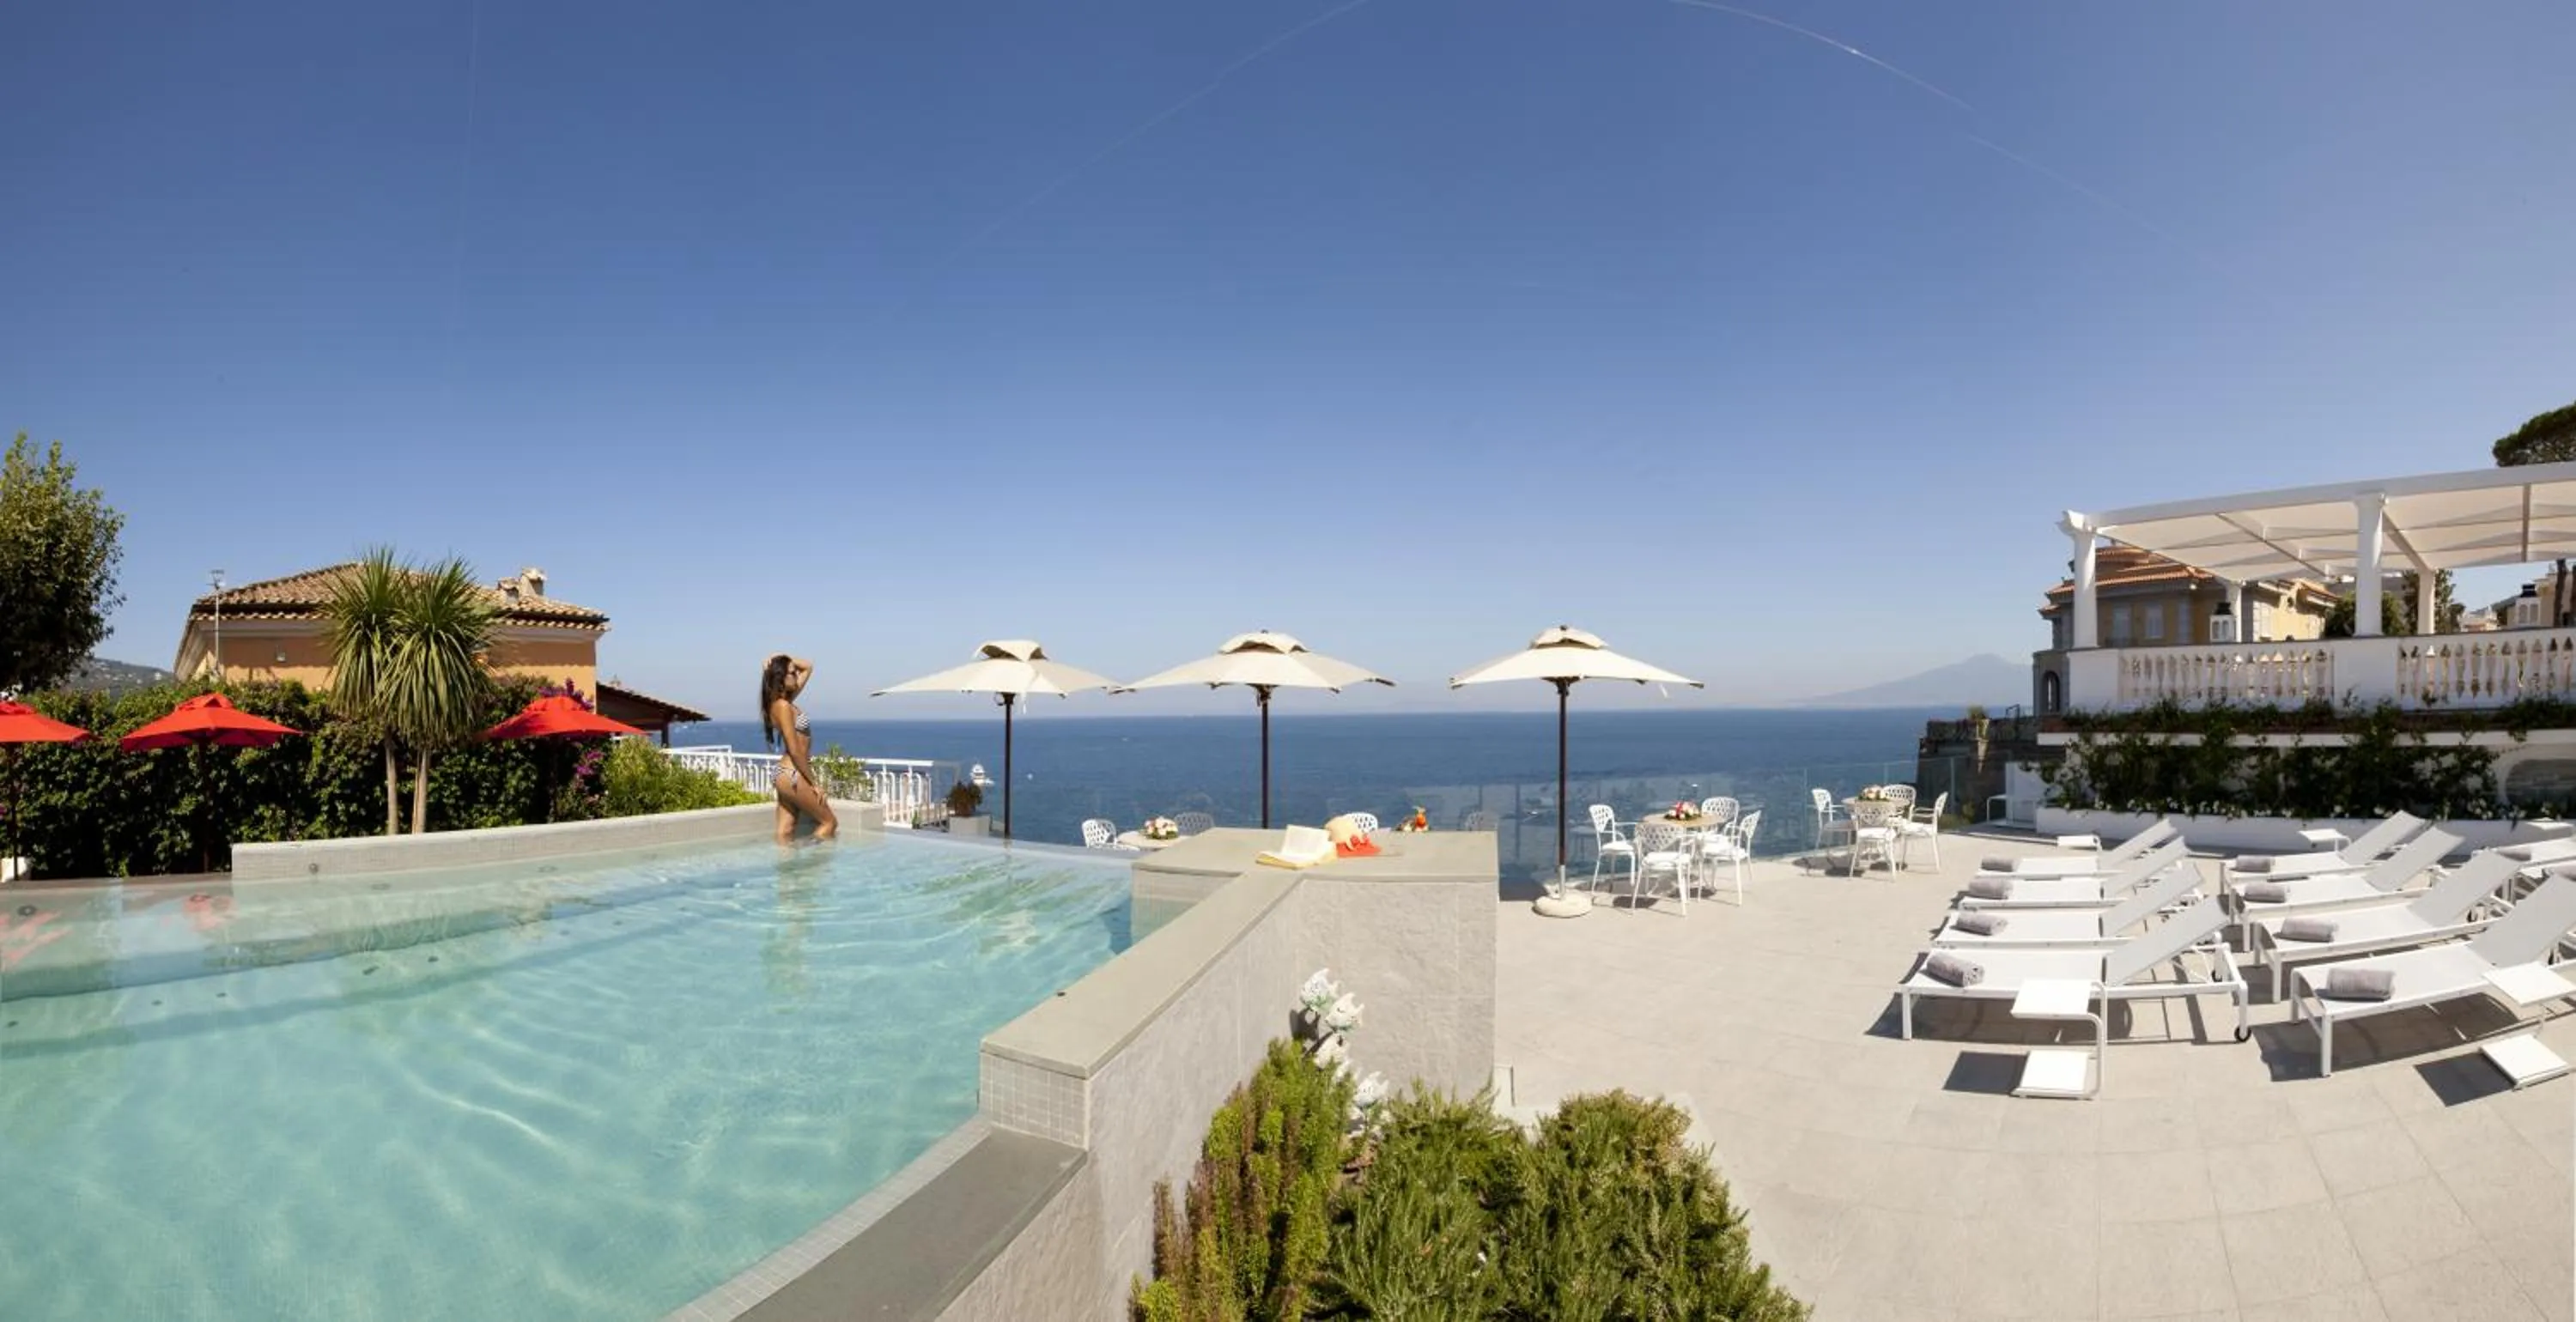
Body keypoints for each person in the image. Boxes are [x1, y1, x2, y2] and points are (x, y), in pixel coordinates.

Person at [761, 654, 839, 844]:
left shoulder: (782, 702)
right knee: (829, 823)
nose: (796, 674)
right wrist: (814, 783)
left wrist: (776, 658)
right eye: (791, 673)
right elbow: (795, 749)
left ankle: (787, 871)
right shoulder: (782, 706)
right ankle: (812, 869)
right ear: (780, 678)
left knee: (786, 831)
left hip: (784, 774)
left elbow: (808, 667)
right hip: (792, 773)